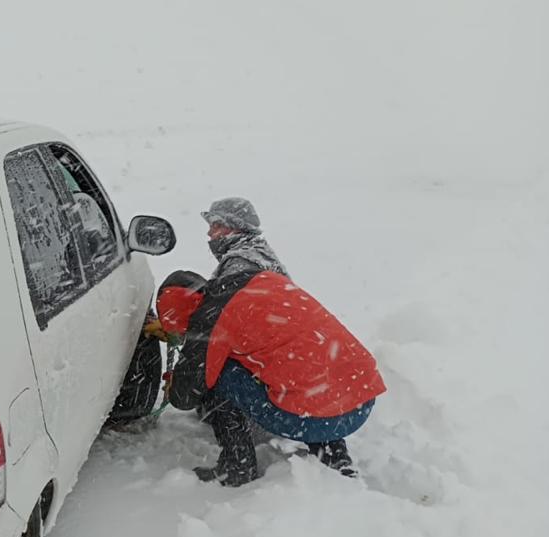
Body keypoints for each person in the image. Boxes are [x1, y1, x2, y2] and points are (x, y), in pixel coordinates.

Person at [154, 267, 386, 486]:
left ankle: (237, 467)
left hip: (313, 418)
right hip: (359, 399)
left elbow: (184, 397)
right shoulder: (258, 280)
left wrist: (178, 378)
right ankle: (335, 456)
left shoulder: (209, 320)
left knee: (219, 374)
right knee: (307, 368)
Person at [200, 197, 288, 280]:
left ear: (237, 227)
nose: (209, 233)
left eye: (217, 226)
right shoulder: (260, 257)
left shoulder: (242, 262)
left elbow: (227, 295)